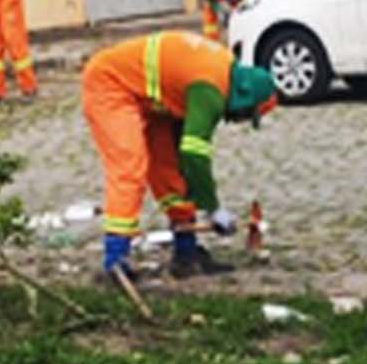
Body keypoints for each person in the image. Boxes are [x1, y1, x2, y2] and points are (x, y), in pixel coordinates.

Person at [80, 29, 277, 283]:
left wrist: (203, 200)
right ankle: (115, 261)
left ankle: (186, 252)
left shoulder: (221, 75)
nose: (236, 121)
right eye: (246, 115)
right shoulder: (210, 90)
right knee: (129, 168)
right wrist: (213, 208)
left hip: (153, 99)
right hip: (111, 85)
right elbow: (195, 154)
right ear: (245, 99)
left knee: (170, 170)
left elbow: (187, 157)